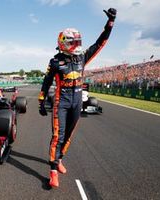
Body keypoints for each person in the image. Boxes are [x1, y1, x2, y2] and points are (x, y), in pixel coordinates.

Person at [38, 8, 117, 187]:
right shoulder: (55, 62)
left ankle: (59, 160)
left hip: (77, 102)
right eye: (74, 42)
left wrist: (110, 23)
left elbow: (100, 43)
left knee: (68, 135)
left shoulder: (81, 58)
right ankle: (52, 170)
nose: (78, 44)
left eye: (78, 41)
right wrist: (41, 102)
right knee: (57, 135)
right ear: (64, 43)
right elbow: (46, 83)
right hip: (61, 102)